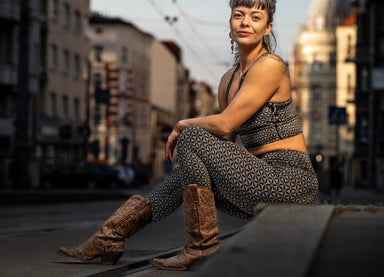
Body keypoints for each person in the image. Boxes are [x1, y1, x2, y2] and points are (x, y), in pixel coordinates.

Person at [57, 0, 318, 271]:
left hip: (289, 182)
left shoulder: (271, 65)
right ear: (230, 24)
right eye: (238, 15)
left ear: (267, 27)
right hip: (256, 181)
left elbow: (225, 124)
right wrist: (193, 158)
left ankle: (201, 245)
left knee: (193, 135)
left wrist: (182, 125)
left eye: (255, 17)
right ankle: (110, 236)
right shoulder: (228, 81)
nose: (245, 22)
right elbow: (218, 147)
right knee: (189, 168)